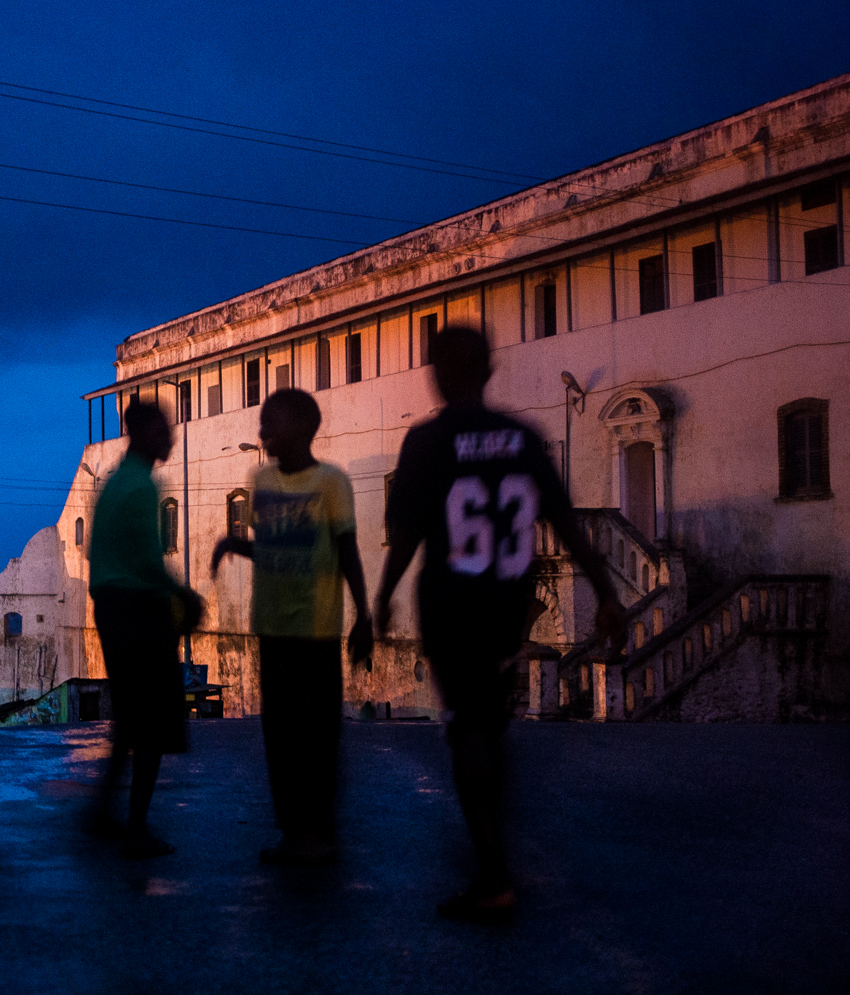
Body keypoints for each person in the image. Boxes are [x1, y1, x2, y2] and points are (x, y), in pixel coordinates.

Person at [375, 325, 622, 923]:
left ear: (436, 373)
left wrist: (380, 598)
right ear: (489, 370)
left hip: (452, 604)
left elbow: (406, 533)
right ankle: (494, 854)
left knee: (467, 731)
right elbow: (565, 521)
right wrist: (606, 593)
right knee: (490, 724)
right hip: (508, 604)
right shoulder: (524, 438)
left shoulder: (427, 442)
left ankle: (492, 875)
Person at [212, 388, 373, 866]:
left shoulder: (331, 483)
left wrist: (363, 616)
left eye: (271, 423)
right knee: (279, 735)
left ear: (304, 428)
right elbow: (271, 548)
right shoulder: (259, 480)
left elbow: (347, 551)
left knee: (318, 734)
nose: (263, 433)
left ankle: (319, 830)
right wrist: (233, 545)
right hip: (272, 626)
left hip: (316, 627)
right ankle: (292, 831)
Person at [87, 400, 204, 859]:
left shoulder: (116, 483)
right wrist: (185, 596)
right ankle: (136, 828)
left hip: (111, 607)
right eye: (162, 429)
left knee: (130, 718)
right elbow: (147, 561)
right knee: (151, 724)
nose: (169, 436)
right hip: (137, 609)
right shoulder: (141, 486)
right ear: (141, 434)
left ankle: (103, 812)